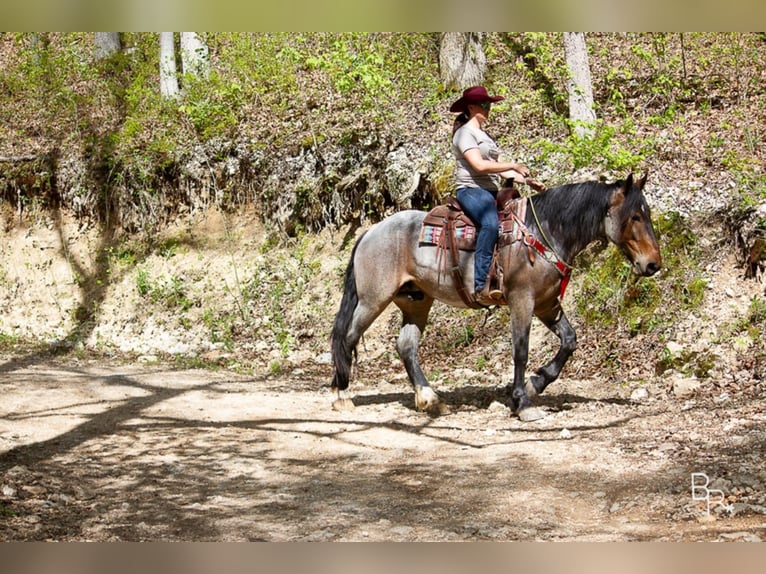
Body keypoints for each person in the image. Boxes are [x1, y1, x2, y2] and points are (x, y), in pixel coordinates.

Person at [450, 85, 532, 306]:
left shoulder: (484, 135)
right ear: (471, 107)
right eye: (484, 105)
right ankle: (481, 284)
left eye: (489, 105)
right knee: (489, 223)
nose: (488, 109)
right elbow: (479, 166)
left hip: (491, 191)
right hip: (471, 190)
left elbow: (498, 168)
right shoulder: (464, 133)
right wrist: (514, 164)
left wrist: (526, 180)